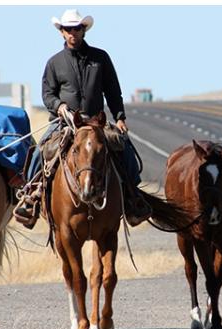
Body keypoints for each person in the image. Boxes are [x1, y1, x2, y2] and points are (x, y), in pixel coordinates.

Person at [14, 9, 151, 228]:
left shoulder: (100, 58)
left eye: (76, 29)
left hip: (96, 122)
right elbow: (48, 94)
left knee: (124, 148)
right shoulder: (54, 63)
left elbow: (113, 91)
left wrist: (120, 117)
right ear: (61, 32)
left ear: (83, 30)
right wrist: (59, 107)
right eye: (67, 29)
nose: (72, 33)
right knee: (41, 150)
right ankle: (31, 196)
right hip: (64, 122)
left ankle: (133, 197)